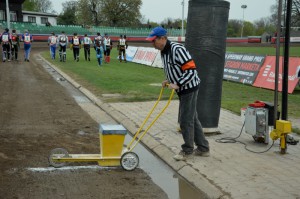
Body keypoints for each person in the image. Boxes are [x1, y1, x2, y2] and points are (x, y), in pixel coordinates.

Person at [146, 26, 210, 161]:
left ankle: (187, 150)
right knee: (192, 118)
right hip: (181, 89)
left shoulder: (177, 49)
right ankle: (203, 148)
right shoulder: (163, 51)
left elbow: (191, 71)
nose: (152, 44)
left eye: (154, 41)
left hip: (189, 88)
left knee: (185, 120)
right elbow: (174, 68)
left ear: (162, 38)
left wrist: (178, 83)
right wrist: (168, 80)